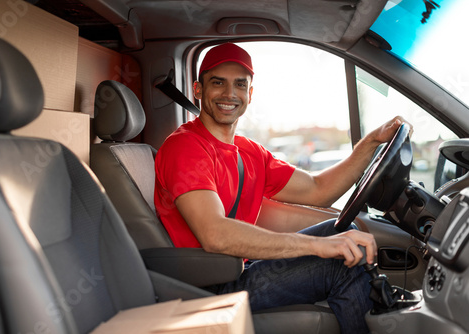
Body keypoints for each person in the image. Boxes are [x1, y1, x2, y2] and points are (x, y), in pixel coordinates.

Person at [154, 42, 409, 334]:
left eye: (240, 84)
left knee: (337, 233)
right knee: (342, 262)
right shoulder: (185, 147)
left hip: (238, 270)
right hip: (209, 286)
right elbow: (215, 234)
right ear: (198, 90)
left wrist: (372, 142)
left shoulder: (248, 152)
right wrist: (319, 247)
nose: (229, 94)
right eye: (217, 83)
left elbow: (317, 189)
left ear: (249, 94)